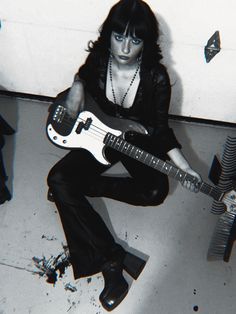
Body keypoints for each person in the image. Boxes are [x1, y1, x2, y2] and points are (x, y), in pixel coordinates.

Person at [47, 0, 201, 311]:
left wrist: (186, 168)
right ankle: (112, 262)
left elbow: (159, 129)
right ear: (109, 35)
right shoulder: (100, 58)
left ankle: (89, 187)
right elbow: (83, 74)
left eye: (135, 39)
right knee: (58, 179)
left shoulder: (156, 78)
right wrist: (77, 86)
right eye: (119, 36)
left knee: (156, 191)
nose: (125, 47)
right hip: (97, 137)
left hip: (133, 138)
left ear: (146, 41)